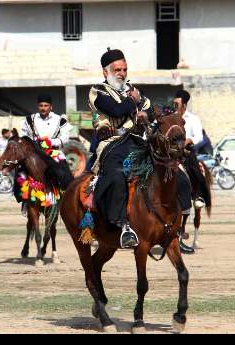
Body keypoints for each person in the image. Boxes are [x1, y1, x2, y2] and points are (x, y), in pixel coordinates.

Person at [89, 48, 154, 248]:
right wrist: (134, 101)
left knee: (164, 167)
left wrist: (144, 112)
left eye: (125, 69)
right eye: (117, 70)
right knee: (117, 175)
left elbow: (149, 111)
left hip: (137, 141)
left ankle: (172, 217)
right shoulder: (97, 90)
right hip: (111, 144)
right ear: (105, 72)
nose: (122, 74)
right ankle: (122, 226)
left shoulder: (132, 89)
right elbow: (116, 109)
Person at [173, 90, 211, 254]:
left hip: (187, 153)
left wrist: (189, 140)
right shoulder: (171, 118)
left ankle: (199, 195)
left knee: (195, 171)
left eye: (177, 104)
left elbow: (200, 137)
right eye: (174, 103)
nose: (175, 106)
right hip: (172, 153)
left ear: (184, 104)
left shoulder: (193, 119)